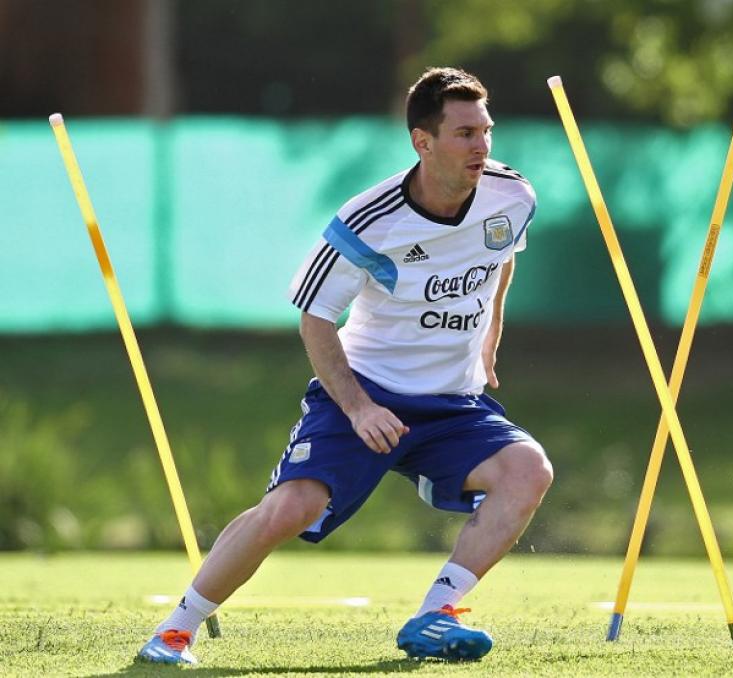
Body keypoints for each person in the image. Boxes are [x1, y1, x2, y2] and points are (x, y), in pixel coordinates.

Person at [137, 66, 552, 666]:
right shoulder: (368, 222)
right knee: (290, 509)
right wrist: (358, 407)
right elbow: (315, 317)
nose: (481, 146)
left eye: (486, 131)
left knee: (528, 471)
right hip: (363, 393)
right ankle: (175, 631)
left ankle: (436, 613)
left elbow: (502, 258)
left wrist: (491, 335)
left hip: (454, 402)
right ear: (423, 141)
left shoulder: (512, 196)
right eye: (464, 134)